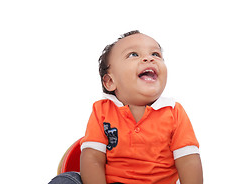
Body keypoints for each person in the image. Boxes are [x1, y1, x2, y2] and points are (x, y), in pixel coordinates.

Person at [49, 30, 203, 184]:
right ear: (110, 81)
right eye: (133, 55)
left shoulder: (173, 112)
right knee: (65, 180)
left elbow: (188, 160)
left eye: (156, 54)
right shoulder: (102, 110)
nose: (148, 58)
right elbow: (92, 158)